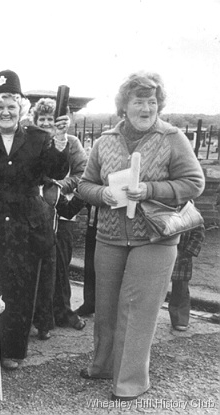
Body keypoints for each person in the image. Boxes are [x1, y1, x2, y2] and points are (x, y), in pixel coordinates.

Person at [77, 71, 205, 401]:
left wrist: (150, 189)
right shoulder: (105, 141)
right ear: (124, 105)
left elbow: (194, 183)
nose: (146, 108)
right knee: (106, 308)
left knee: (136, 311)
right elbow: (84, 184)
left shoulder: (173, 138)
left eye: (152, 102)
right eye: (139, 101)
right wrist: (102, 194)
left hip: (154, 238)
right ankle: (103, 366)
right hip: (109, 237)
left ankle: (129, 382)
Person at [0, 70, 69, 371]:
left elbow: (57, 171)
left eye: (11, 106)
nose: (5, 112)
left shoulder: (39, 139)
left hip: (27, 220)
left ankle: (13, 350)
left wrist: (60, 140)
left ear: (21, 108)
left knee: (21, 287)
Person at [32, 98, 87, 339]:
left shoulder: (71, 143)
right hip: (35, 210)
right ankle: (39, 315)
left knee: (61, 263)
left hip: (61, 210)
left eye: (50, 119)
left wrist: (59, 186)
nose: (46, 124)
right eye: (42, 119)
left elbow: (82, 173)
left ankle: (63, 311)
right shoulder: (32, 141)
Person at [168, 224, 205, 331]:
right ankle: (147, 318)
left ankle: (179, 318)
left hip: (182, 255)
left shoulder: (192, 216)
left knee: (181, 288)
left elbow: (198, 234)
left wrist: (188, 252)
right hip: (163, 251)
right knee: (153, 286)